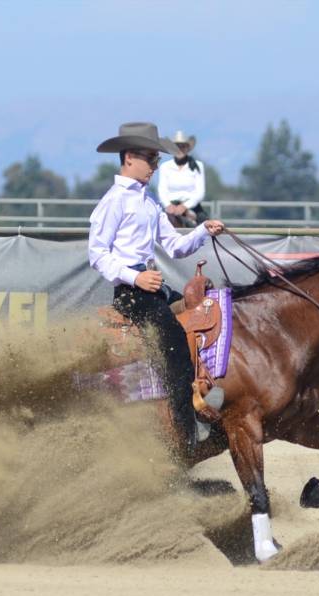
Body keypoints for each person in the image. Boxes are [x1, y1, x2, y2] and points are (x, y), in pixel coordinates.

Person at [88, 122, 225, 452]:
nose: (155, 165)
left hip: (152, 288)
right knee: (176, 345)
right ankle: (187, 435)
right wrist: (134, 277)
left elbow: (175, 246)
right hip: (133, 293)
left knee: (205, 309)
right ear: (130, 158)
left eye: (156, 159)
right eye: (151, 158)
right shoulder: (114, 201)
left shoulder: (147, 202)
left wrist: (203, 231)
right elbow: (96, 253)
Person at [157, 130, 207, 228]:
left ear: (187, 148)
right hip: (170, 206)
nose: (179, 149)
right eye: (176, 146)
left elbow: (200, 193)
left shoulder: (197, 166)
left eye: (182, 146)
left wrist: (185, 206)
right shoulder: (165, 166)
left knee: (205, 225)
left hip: (191, 205)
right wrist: (168, 205)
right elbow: (162, 189)